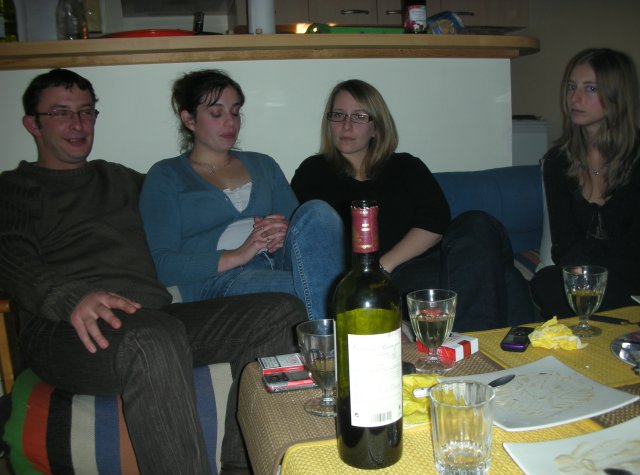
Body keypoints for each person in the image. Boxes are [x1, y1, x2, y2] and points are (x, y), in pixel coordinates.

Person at [0, 68, 306, 475]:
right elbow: (11, 259)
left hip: (152, 316)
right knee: (152, 337)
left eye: (86, 112)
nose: (77, 124)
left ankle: (241, 469)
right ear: (32, 124)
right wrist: (69, 298)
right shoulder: (15, 188)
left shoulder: (122, 179)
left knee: (280, 311)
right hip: (67, 327)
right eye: (61, 113)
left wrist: (264, 221)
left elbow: (192, 200)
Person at [291, 79, 536, 332]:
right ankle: (481, 342)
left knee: (477, 222)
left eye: (359, 116)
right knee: (507, 278)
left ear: (377, 128)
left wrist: (381, 266)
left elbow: (435, 221)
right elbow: (303, 239)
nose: (346, 125)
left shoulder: (406, 166)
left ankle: (474, 339)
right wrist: (371, 276)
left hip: (437, 261)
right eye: (338, 115)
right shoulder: (313, 173)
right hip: (393, 283)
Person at [139, 69, 344, 320]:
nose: (231, 122)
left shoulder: (264, 165)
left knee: (317, 212)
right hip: (220, 280)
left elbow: (299, 228)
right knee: (319, 289)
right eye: (217, 113)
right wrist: (238, 254)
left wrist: (285, 232)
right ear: (189, 119)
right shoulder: (166, 175)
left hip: (280, 263)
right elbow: (161, 264)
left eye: (235, 112)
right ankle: (339, 338)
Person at [531, 48, 640, 319]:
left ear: (617, 95)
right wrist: (582, 271)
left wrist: (590, 269)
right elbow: (563, 244)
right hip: (581, 279)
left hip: (630, 280)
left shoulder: (636, 159)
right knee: (546, 282)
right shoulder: (558, 161)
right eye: (572, 87)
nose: (575, 98)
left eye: (590, 88)